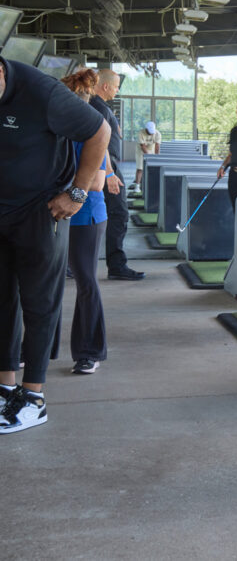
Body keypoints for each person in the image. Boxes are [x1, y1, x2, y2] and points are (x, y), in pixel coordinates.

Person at [0, 56, 110, 433]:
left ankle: (33, 397)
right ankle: (5, 388)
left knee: (39, 303)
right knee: (2, 301)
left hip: (41, 212)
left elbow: (99, 132)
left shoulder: (41, 91)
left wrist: (77, 194)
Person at [61, 69, 110, 374]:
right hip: (57, 215)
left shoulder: (92, 130)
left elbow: (97, 182)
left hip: (87, 217)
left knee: (86, 282)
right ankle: (35, 348)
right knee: (47, 283)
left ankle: (89, 352)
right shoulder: (58, 130)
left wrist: (62, 189)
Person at [90, 69, 144, 280]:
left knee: (103, 214)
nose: (117, 90)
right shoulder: (98, 107)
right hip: (106, 167)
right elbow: (99, 142)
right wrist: (109, 173)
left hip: (105, 165)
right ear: (105, 86)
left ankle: (75, 263)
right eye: (116, 86)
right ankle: (116, 266)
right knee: (119, 214)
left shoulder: (100, 106)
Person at [133, 120, 161, 187]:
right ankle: (137, 186)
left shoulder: (157, 134)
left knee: (152, 167)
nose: (151, 133)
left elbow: (157, 146)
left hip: (151, 149)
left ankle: (150, 184)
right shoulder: (141, 133)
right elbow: (143, 146)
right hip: (140, 150)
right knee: (140, 168)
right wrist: (148, 156)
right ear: (146, 129)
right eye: (150, 131)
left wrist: (156, 158)